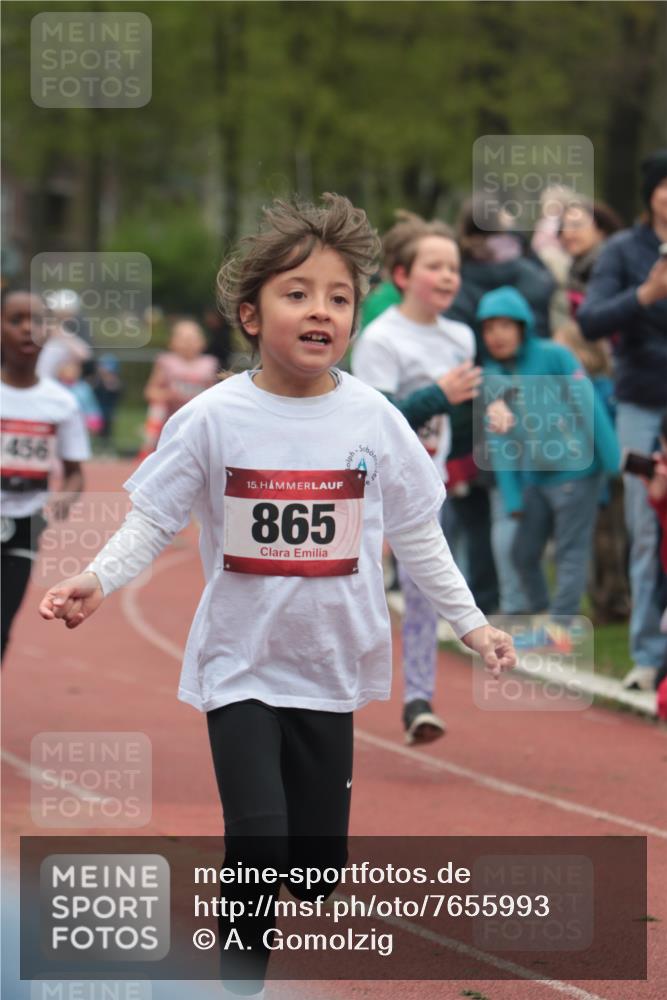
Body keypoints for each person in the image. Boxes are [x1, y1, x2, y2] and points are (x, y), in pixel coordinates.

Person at [38, 194, 516, 999]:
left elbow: (418, 531)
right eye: (297, 294)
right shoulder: (213, 417)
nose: (320, 310)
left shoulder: (374, 419)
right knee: (257, 845)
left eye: (338, 297)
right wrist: (97, 576)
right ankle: (235, 983)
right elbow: (153, 518)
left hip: (328, 665)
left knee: (318, 875)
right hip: (240, 664)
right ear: (250, 314)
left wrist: (470, 624)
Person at [352, 210, 482, 744]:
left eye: (453, 267)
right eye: (435, 266)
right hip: (368, 486)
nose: (449, 276)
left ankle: (418, 700)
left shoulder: (461, 337)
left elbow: (460, 412)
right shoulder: (381, 340)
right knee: (353, 585)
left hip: (425, 486)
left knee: (425, 589)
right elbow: (375, 418)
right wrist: (437, 397)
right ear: (403, 276)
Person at [578, 149, 667, 690]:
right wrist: (646, 295)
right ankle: (647, 653)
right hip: (641, 400)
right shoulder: (622, 250)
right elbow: (590, 319)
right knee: (643, 528)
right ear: (651, 193)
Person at [478, 286, 620, 624]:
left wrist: (614, 463)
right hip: (535, 479)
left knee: (571, 553)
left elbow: (589, 407)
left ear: (522, 327)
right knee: (522, 553)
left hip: (578, 474)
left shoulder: (554, 355)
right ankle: (545, 614)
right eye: (489, 328)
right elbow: (500, 444)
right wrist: (512, 498)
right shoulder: (491, 377)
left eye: (505, 326)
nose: (497, 335)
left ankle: (562, 627)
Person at [1, 288, 89, 660]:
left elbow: (74, 472)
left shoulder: (61, 402)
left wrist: (63, 499)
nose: (27, 329)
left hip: (26, 521)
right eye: (16, 320)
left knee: (2, 625)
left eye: (36, 321)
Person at [138, 316, 218, 457]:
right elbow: (150, 392)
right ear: (171, 342)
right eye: (183, 338)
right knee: (157, 407)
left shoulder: (209, 364)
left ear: (202, 342)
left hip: (197, 415)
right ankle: (148, 446)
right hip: (170, 415)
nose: (188, 343)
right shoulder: (166, 362)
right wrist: (167, 395)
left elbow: (216, 395)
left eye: (193, 338)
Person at [57, 359, 104, 435]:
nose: (70, 373)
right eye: (68, 370)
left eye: (73, 370)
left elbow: (91, 407)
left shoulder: (83, 388)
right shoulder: (56, 388)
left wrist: (94, 423)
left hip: (81, 425)